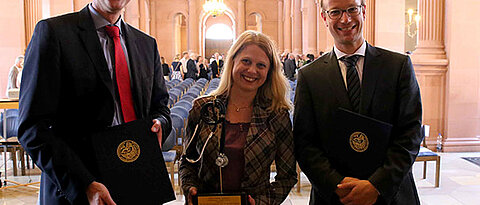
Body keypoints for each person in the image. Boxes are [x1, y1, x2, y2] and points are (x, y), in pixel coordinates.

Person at [18, 0, 173, 204]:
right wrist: (83, 183)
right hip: (77, 192)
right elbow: (32, 127)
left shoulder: (146, 43)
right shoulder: (54, 33)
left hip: (136, 184)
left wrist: (161, 122)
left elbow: (160, 108)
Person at [293, 0, 423, 204]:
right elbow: (305, 143)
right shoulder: (309, 76)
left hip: (390, 195)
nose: (345, 19)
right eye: (335, 12)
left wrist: (376, 185)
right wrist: (338, 185)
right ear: (324, 17)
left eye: (352, 9)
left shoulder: (398, 67)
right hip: (334, 197)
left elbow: (411, 132)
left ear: (363, 10)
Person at [180, 30, 297, 205]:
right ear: (232, 61)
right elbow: (187, 161)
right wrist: (189, 188)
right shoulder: (202, 108)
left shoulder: (276, 114)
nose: (252, 70)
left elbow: (287, 176)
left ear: (269, 71)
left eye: (261, 65)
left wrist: (261, 203)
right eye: (246, 61)